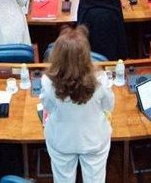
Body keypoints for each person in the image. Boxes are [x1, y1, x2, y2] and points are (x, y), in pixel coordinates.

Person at [39, 26, 115, 183]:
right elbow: (109, 106)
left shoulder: (47, 81)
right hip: (94, 140)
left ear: (57, 54)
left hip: (61, 140)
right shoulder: (100, 79)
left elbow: (48, 108)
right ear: (86, 55)